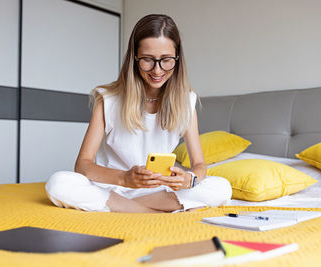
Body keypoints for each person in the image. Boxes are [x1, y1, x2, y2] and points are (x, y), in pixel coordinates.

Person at [45, 14, 232, 213]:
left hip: (158, 192)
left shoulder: (186, 101)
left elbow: (199, 165)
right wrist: (124, 178)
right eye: (147, 60)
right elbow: (83, 165)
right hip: (112, 188)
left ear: (177, 59)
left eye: (166, 60)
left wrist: (189, 179)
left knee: (222, 188)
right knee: (58, 183)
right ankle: (149, 214)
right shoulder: (108, 99)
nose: (157, 70)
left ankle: (126, 210)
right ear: (134, 58)